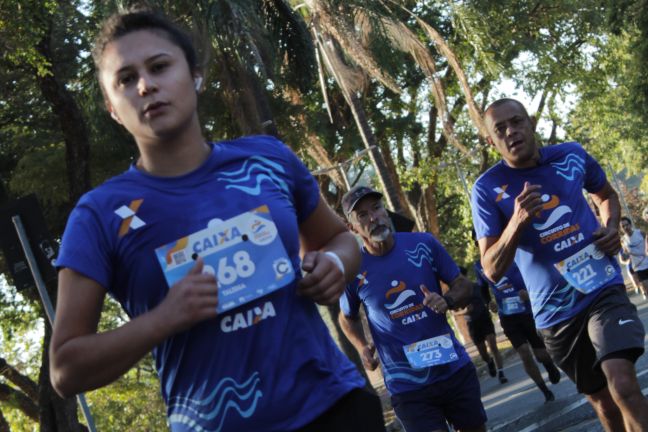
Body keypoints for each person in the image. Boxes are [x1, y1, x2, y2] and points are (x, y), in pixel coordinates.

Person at [49, 9, 387, 432]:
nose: (146, 85)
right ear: (112, 108)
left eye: (159, 66)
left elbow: (342, 239)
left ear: (195, 76)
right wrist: (164, 318)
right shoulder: (98, 215)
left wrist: (334, 265)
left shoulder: (267, 159)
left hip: (334, 408)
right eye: (125, 79)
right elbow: (65, 370)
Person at [471, 97, 648, 432]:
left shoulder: (570, 155)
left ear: (531, 122)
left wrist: (610, 227)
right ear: (491, 141)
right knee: (606, 407)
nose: (511, 131)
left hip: (601, 288)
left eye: (517, 121)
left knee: (623, 384)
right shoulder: (486, 190)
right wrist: (517, 222)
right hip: (555, 313)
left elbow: (606, 195)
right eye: (500, 129)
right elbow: (491, 267)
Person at [339, 185, 487, 432]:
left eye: (376, 208)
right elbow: (347, 318)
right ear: (352, 227)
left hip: (452, 368)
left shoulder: (423, 244)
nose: (373, 217)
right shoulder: (353, 270)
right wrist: (362, 346)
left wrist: (447, 301)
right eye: (362, 215)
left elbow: (462, 285)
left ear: (385, 210)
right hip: (407, 385)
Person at [474, 261, 562, 402]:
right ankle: (544, 390)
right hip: (507, 317)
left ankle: (549, 365)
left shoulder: (515, 253)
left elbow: (534, 273)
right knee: (524, 353)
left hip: (528, 311)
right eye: (478, 242)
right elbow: (483, 288)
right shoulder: (479, 265)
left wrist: (530, 293)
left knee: (541, 355)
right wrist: (489, 302)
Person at [457, 266, 508, 384]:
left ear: (465, 276)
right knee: (483, 353)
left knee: (493, 346)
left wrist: (491, 305)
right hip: (472, 323)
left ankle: (501, 373)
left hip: (484, 319)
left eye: (461, 277)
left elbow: (487, 298)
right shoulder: (456, 293)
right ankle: (489, 362)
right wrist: (464, 311)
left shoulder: (477, 286)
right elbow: (454, 311)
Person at [620, 216, 648, 300]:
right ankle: (644, 291)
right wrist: (625, 258)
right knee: (646, 287)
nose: (625, 227)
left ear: (630, 224)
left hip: (647, 261)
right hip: (638, 267)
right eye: (623, 226)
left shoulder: (640, 233)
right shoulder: (623, 240)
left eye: (627, 225)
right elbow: (624, 255)